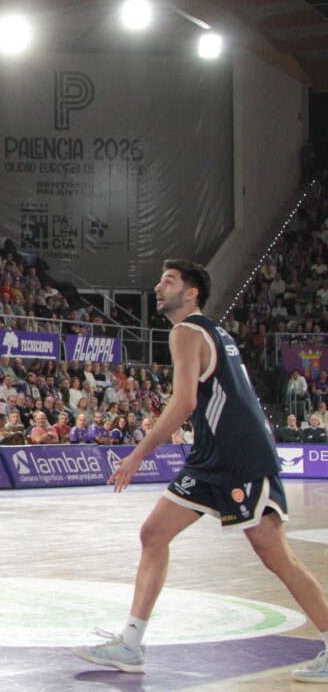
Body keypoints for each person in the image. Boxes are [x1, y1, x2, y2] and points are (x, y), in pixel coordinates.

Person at [74, 260, 328, 682]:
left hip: (239, 457)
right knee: (153, 534)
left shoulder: (186, 331)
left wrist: (139, 454)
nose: (158, 287)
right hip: (213, 457)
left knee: (276, 557)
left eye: (168, 281)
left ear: (190, 293)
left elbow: (185, 402)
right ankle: (130, 645)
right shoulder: (213, 331)